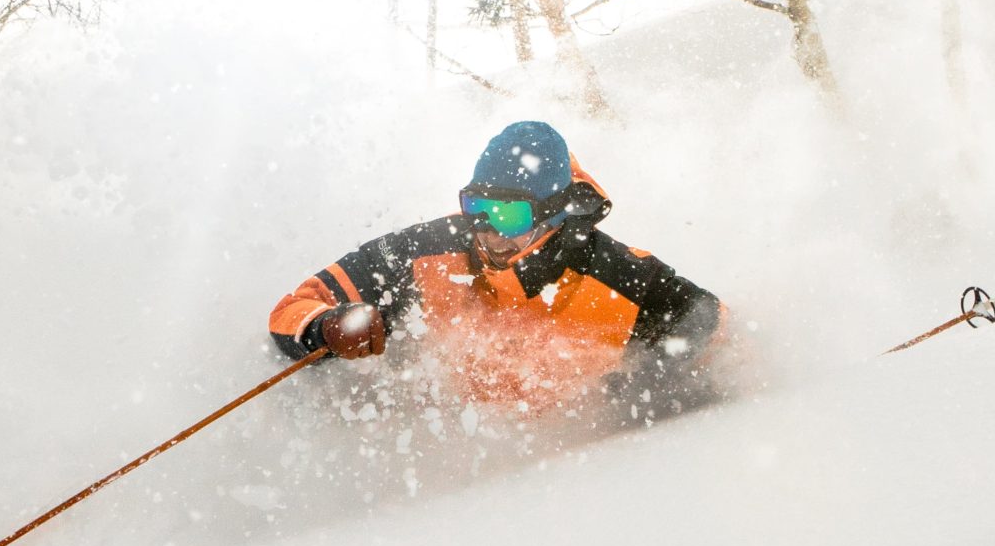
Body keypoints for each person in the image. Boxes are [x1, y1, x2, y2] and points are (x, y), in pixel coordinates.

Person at [267, 121, 726, 425]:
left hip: (571, 473)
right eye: (476, 207)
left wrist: (639, 389)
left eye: (508, 216)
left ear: (553, 214)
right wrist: (323, 329)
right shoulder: (427, 251)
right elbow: (297, 306)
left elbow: (708, 321)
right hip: (458, 454)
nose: (486, 230)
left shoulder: (609, 271)